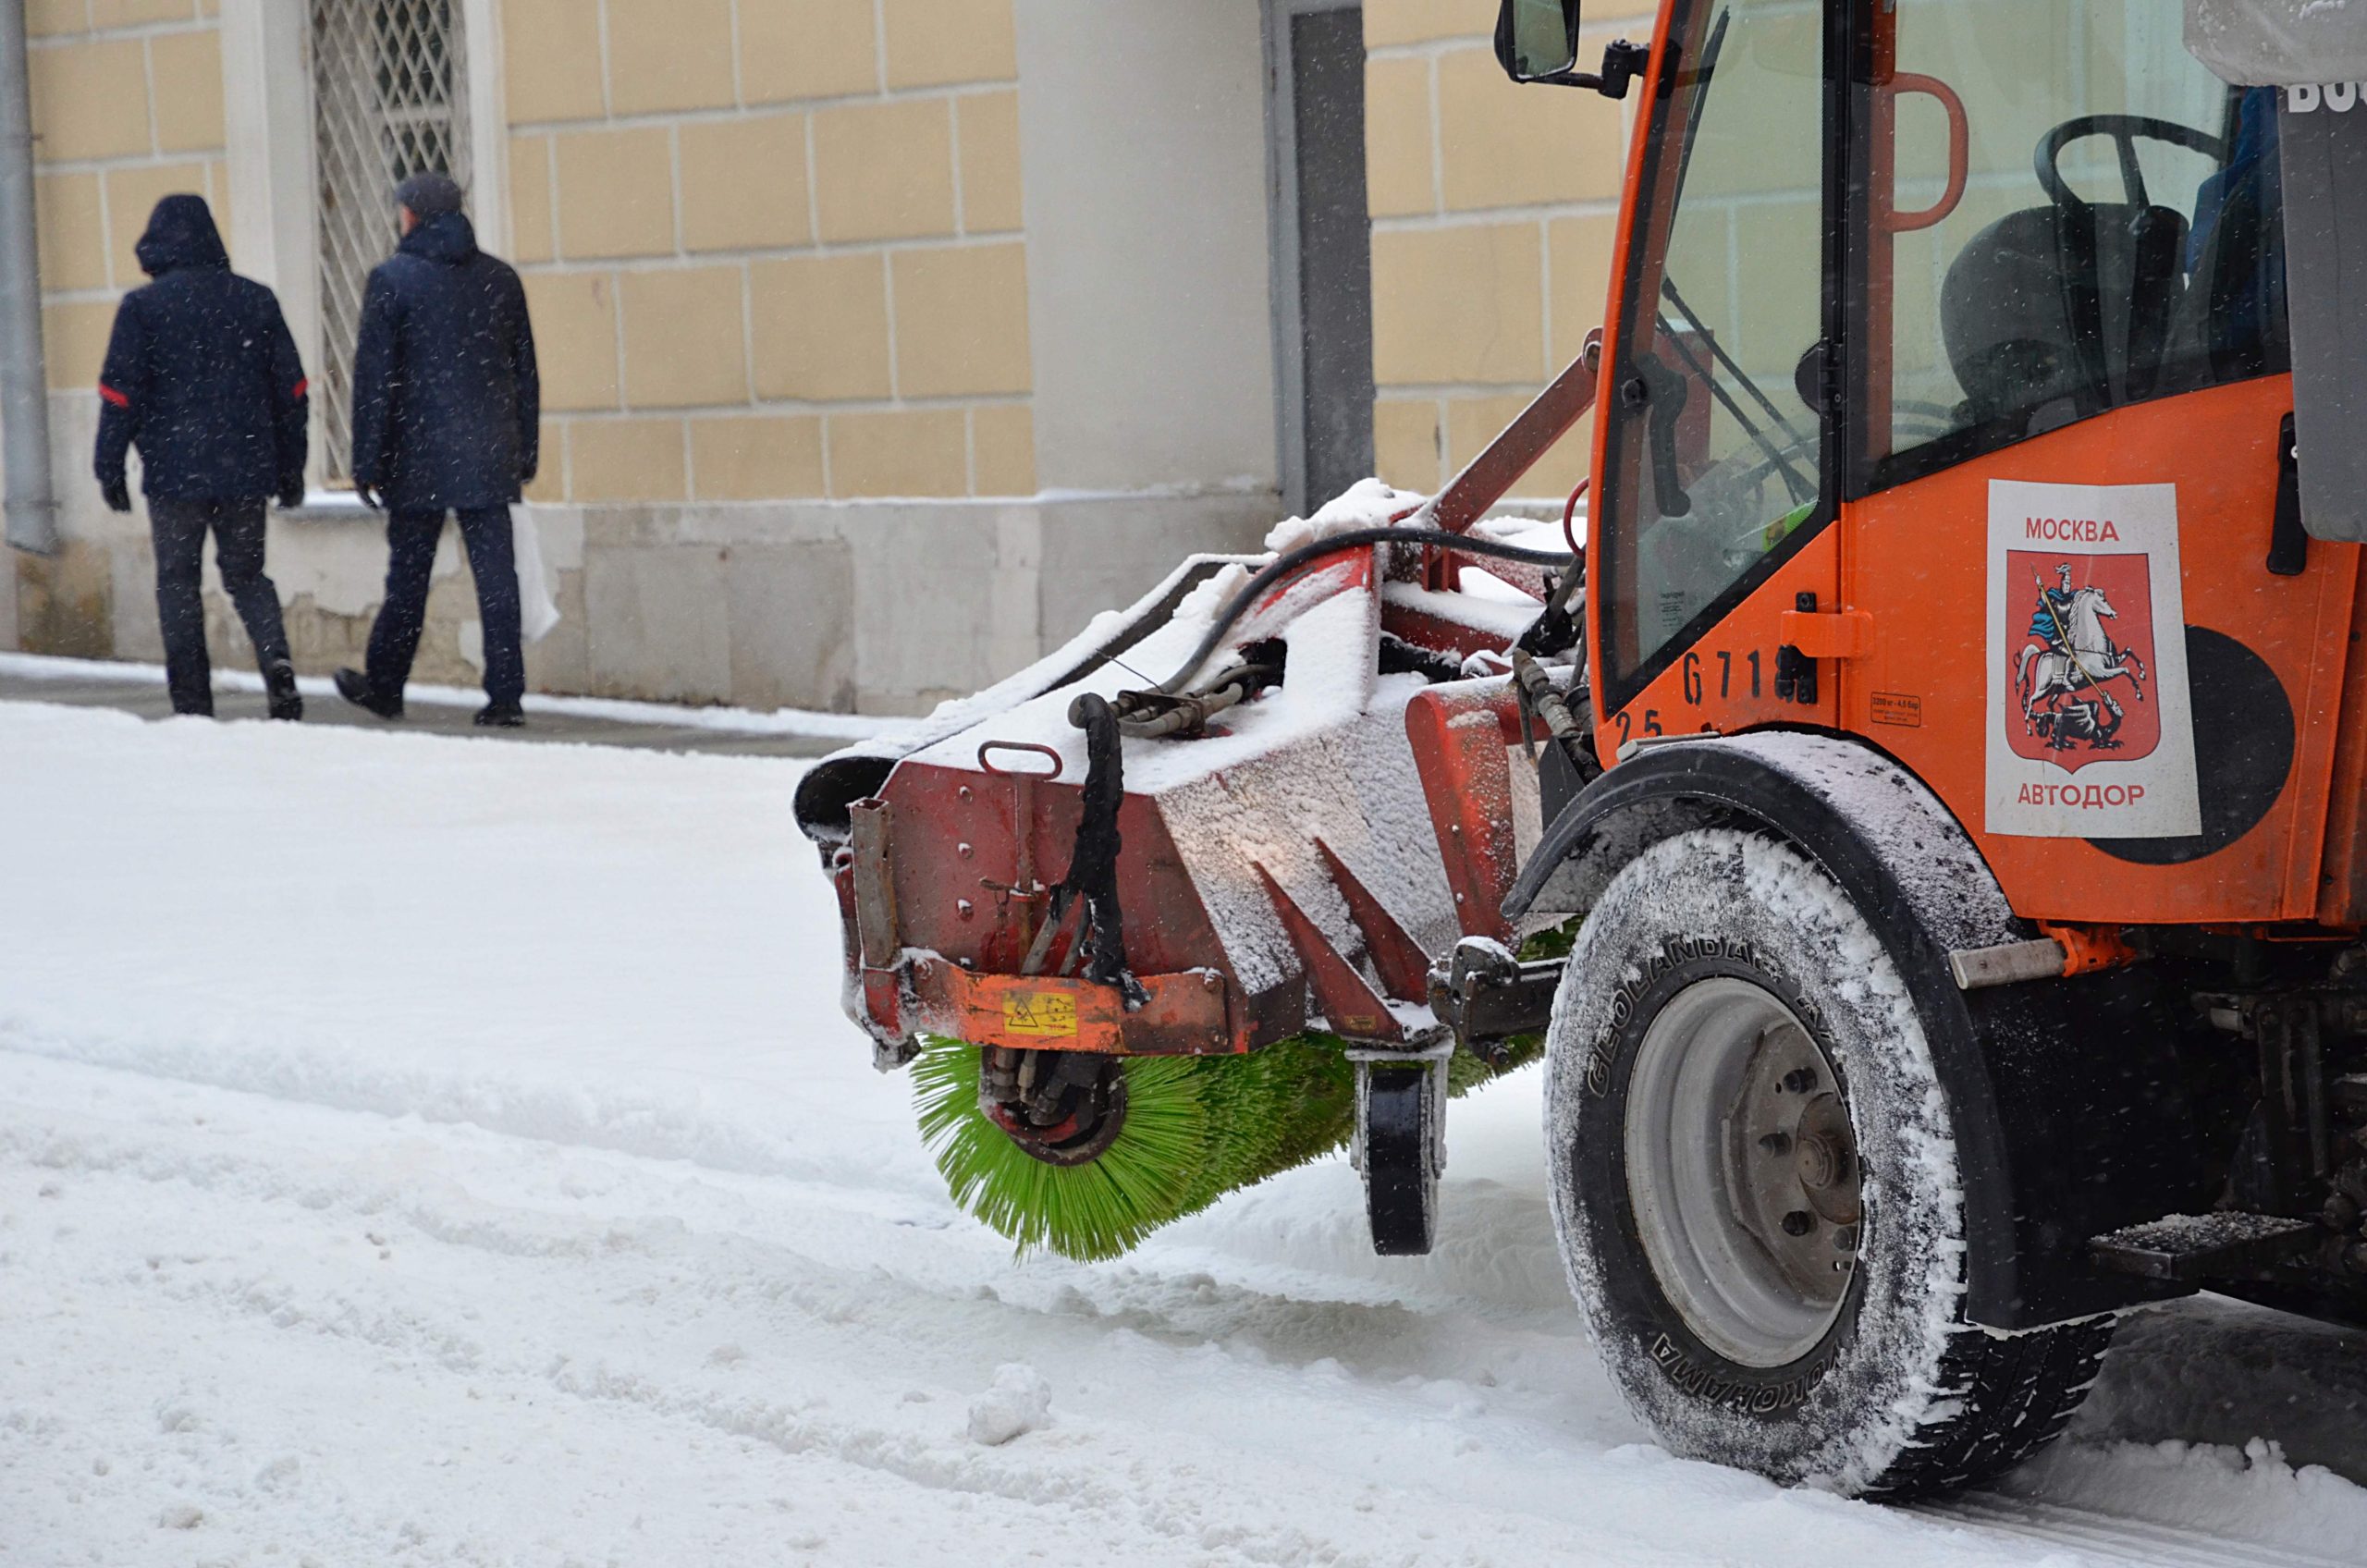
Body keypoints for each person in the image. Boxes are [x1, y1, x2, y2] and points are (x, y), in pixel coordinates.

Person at [334, 171, 539, 728]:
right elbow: (524, 372)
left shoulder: (393, 280)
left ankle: (386, 685)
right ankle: (506, 697)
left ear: (413, 215)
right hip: (489, 450)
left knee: (408, 578)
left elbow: (377, 379)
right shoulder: (500, 279)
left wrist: (366, 462)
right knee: (498, 578)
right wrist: (525, 450)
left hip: (416, 454)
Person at [93, 194, 308, 720]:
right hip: (246, 472)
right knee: (248, 577)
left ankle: (192, 702)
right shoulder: (256, 300)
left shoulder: (143, 308)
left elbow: (120, 395)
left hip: (174, 475)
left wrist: (109, 467)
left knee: (178, 583)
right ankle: (277, 663)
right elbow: (293, 392)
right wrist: (292, 468)